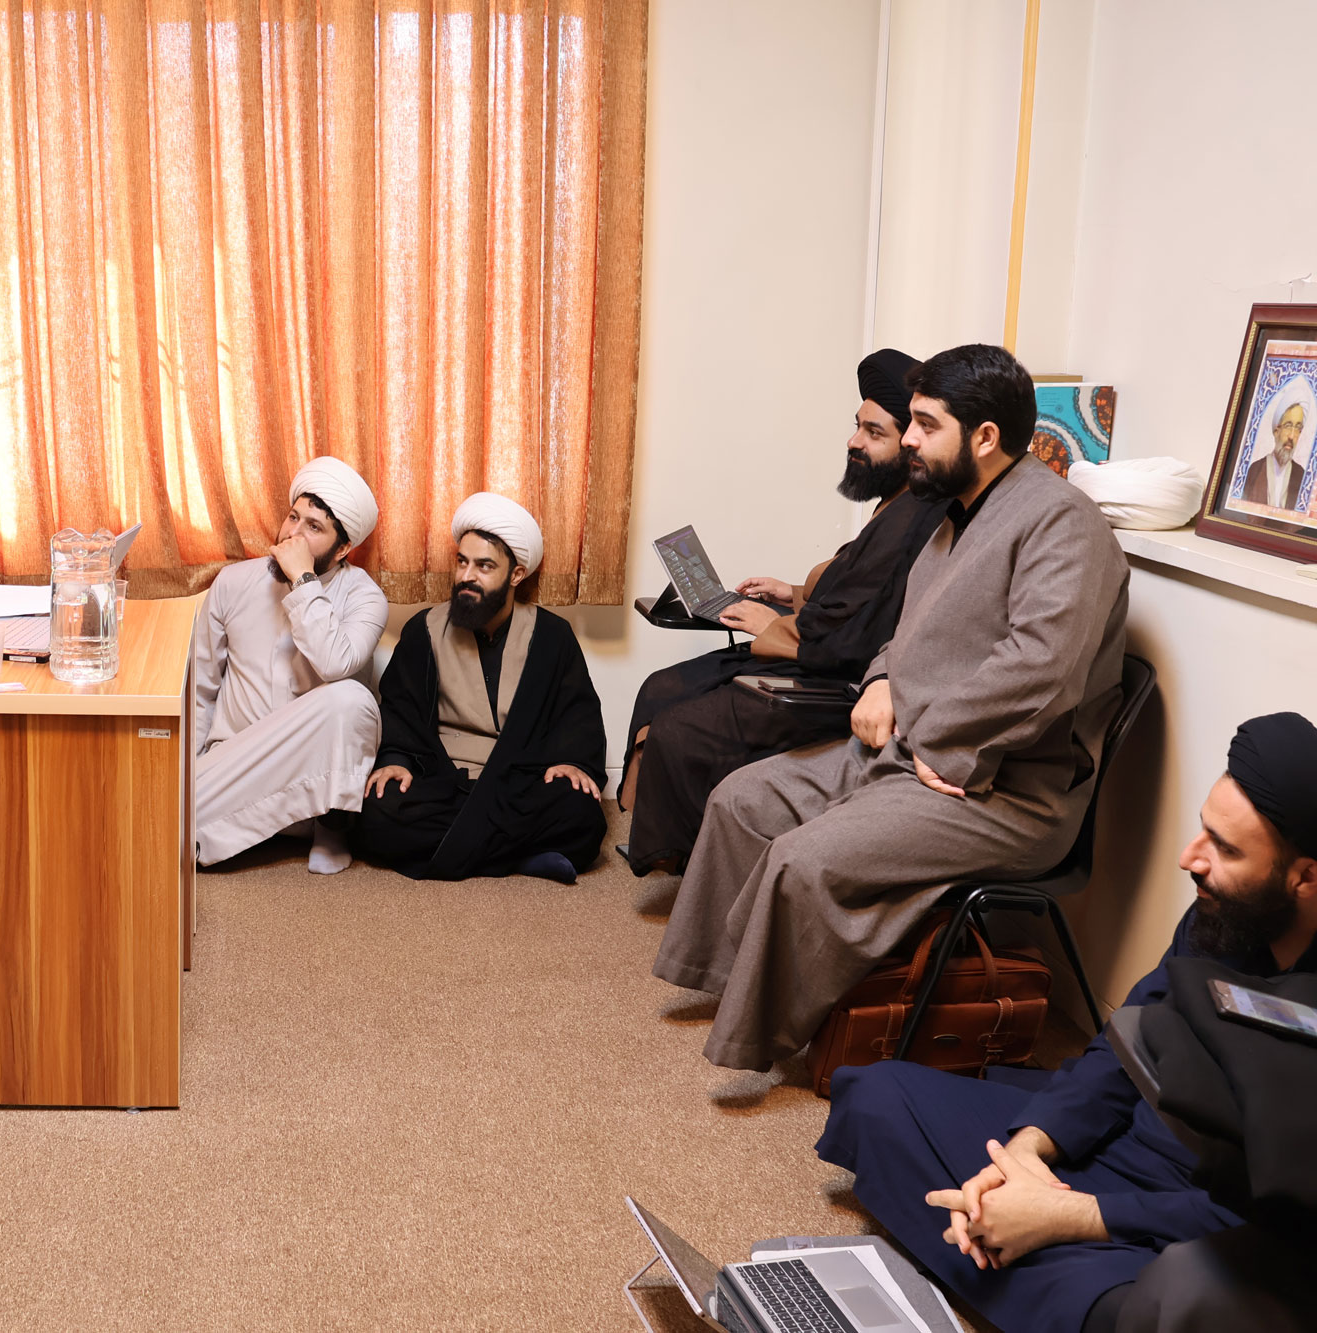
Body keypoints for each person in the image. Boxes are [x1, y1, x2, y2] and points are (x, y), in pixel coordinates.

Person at [654, 343, 1130, 1070]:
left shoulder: (1064, 524)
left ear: (985, 437)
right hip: (908, 747)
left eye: (925, 425)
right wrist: (881, 681)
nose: (908, 439)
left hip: (1001, 789)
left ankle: (756, 1031)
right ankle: (721, 976)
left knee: (802, 858)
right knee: (743, 800)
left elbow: (1042, 671)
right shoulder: (954, 515)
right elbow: (902, 636)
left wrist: (936, 739)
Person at [816, 713, 1317, 1333]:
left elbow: (1286, 1219)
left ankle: (1017, 1243)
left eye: (1227, 849)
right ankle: (1010, 1232)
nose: (1190, 858)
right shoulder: (1222, 918)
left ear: (1305, 876)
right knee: (878, 1095)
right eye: (1203, 831)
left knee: (1163, 1301)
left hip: (1203, 1203)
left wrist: (1073, 1216)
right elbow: (1122, 1048)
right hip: (1117, 1139)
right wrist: (1027, 1153)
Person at [617, 349, 945, 875]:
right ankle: (660, 835)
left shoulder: (918, 518)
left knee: (681, 725)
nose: (854, 442)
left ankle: (684, 854)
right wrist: (790, 593)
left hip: (830, 676)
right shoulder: (894, 502)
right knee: (662, 685)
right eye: (857, 426)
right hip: (805, 639)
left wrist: (772, 624)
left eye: (873, 433)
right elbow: (851, 591)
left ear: (911, 445)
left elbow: (862, 632)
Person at [353, 493, 608, 883]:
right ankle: (524, 856)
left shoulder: (552, 635)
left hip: (520, 780)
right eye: (462, 562)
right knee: (377, 809)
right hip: (444, 780)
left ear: (516, 575)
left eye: (484, 566)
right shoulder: (424, 629)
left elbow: (577, 712)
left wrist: (573, 761)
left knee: (582, 813)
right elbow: (400, 711)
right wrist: (396, 760)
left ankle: (458, 848)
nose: (466, 576)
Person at [189, 457, 388, 873]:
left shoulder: (366, 598)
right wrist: (192, 772)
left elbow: (334, 663)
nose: (292, 535)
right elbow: (200, 690)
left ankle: (331, 829)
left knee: (351, 699)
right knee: (160, 812)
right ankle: (203, 812)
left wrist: (303, 580)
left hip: (316, 786)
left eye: (314, 527)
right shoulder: (233, 582)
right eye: (293, 517)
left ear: (343, 549)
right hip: (237, 768)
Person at [1239, 382, 1311, 509]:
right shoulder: (1255, 470)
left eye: (1298, 428)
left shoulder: (1301, 476)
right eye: (1288, 426)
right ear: (1276, 430)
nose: (1292, 436)